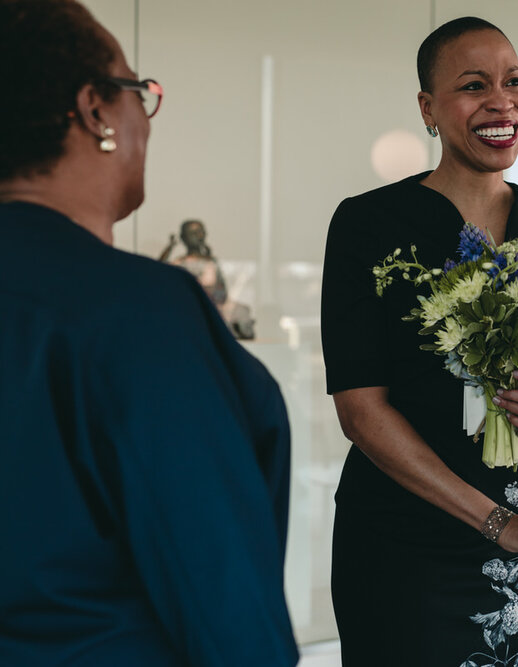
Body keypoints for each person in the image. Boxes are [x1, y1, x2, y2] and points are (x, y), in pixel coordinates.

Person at [0, 1, 297, 664]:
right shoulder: (138, 312)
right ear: (96, 110)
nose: (145, 115)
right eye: (140, 91)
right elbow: (220, 592)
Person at [320, 17, 518, 666]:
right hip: (403, 541)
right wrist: (493, 520)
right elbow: (361, 411)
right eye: (474, 85)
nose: (502, 100)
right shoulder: (369, 224)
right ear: (428, 108)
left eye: (515, 82)